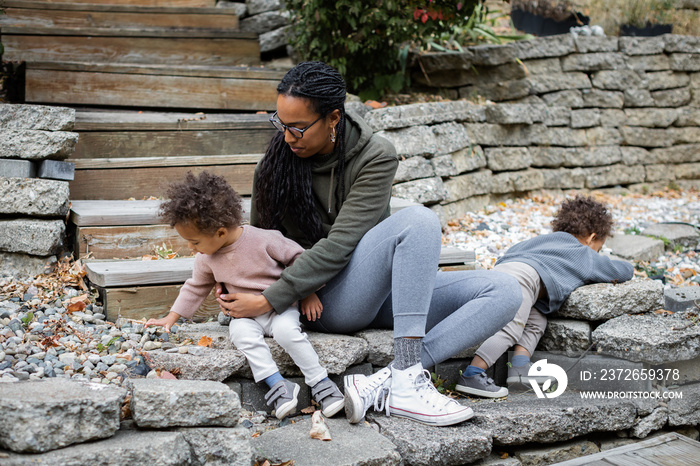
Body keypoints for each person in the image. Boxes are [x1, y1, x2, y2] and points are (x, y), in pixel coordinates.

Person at [215, 61, 522, 427]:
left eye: (297, 127)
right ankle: (408, 382)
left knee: (505, 290)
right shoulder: (276, 166)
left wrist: (268, 298)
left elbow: (343, 242)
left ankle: (395, 376)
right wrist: (269, 297)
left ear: (333, 118)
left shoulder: (376, 155)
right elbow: (257, 244)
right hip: (317, 302)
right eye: (280, 125)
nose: (286, 137)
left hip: (375, 288)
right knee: (419, 220)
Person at [144, 171, 344, 420]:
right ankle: (279, 385)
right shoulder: (206, 258)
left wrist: (308, 293)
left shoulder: (265, 239)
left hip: (279, 308)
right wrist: (171, 317)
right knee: (240, 334)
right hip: (244, 316)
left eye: (194, 242)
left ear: (219, 233)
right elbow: (195, 287)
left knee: (287, 333)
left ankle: (321, 383)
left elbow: (301, 260)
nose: (190, 247)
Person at [455, 195, 635, 398]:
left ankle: (520, 368)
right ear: (592, 238)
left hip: (501, 273)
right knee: (511, 327)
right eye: (598, 248)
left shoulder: (538, 242)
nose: (596, 253)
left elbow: (509, 255)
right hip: (523, 280)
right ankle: (472, 373)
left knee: (536, 320)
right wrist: (616, 261)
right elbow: (622, 271)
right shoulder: (582, 252)